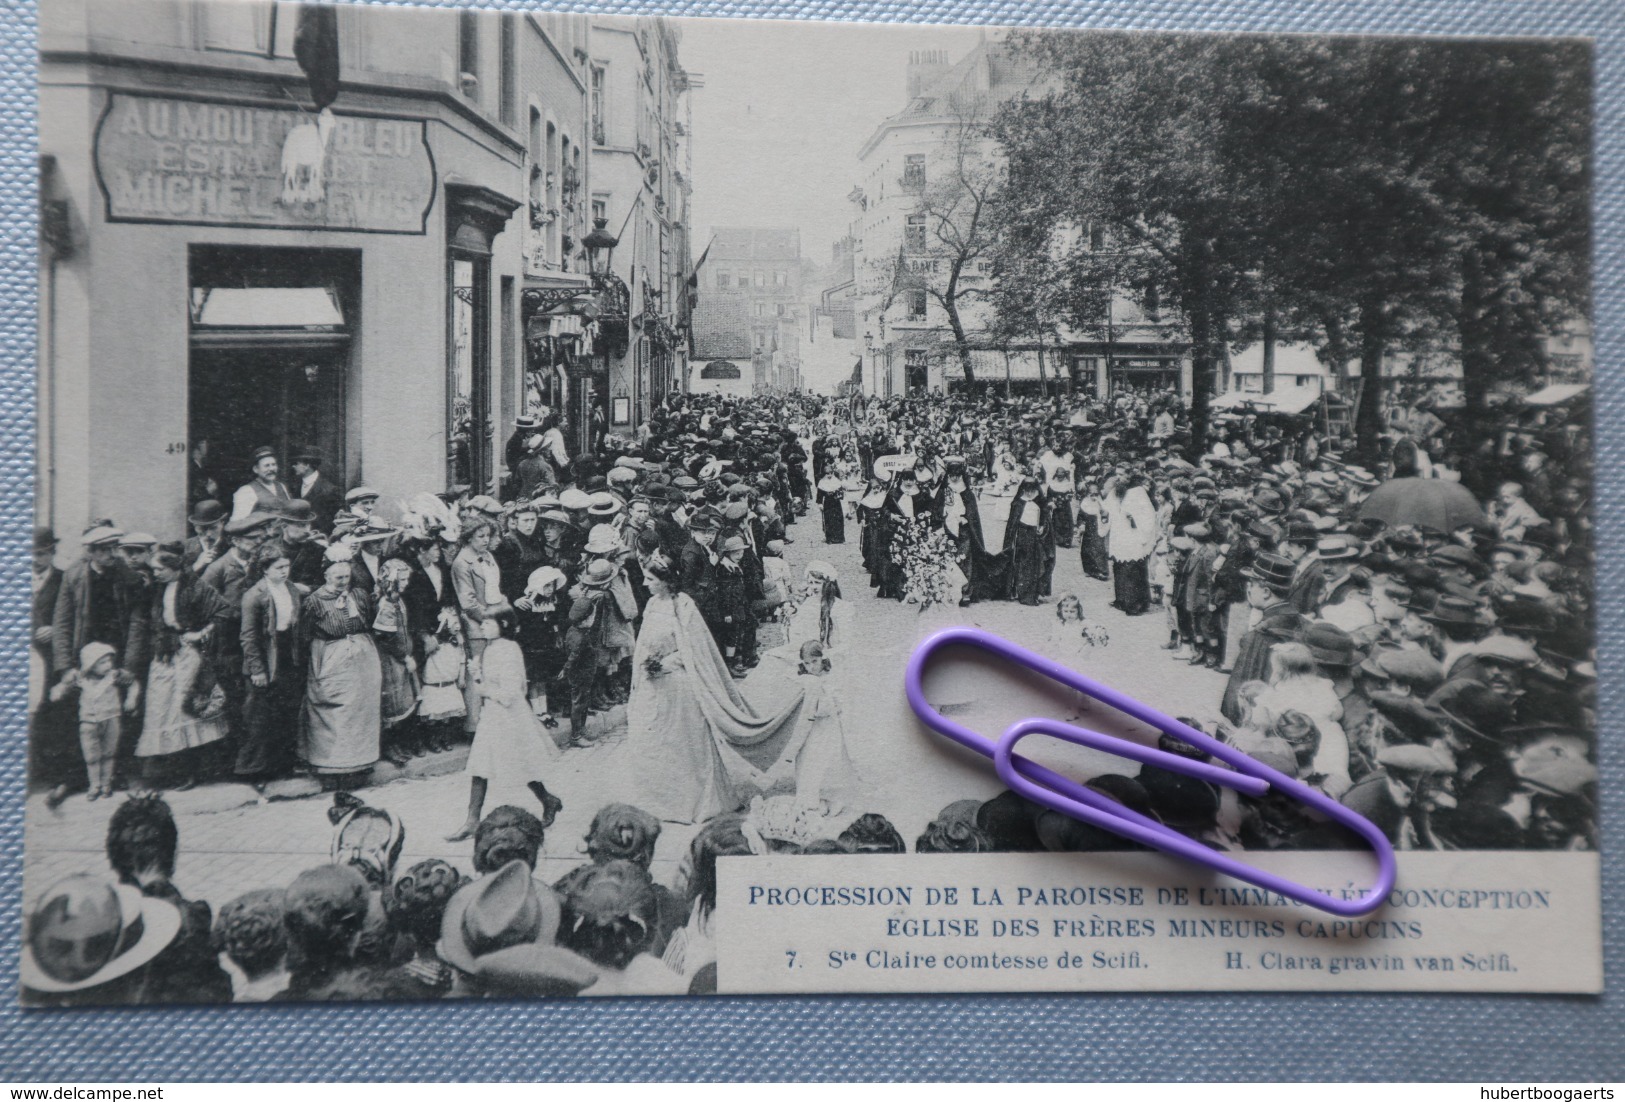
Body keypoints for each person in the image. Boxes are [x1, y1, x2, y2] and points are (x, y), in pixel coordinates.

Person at [625, 557, 804, 824]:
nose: (645, 584)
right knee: (653, 742)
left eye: (651, 580)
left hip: (679, 687)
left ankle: (693, 803)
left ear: (666, 581)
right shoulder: (652, 604)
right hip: (654, 686)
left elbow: (694, 650)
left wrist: (665, 663)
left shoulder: (683, 607)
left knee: (685, 745)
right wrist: (644, 668)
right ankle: (661, 802)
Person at [445, 615, 564, 843]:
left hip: (509, 717)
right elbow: (491, 682)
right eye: (484, 622)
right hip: (493, 715)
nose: (483, 626)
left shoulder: (509, 649)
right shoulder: (490, 648)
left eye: (490, 623)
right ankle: (472, 821)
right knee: (480, 765)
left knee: (519, 763)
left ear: (504, 625)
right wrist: (478, 675)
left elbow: (511, 692)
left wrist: (483, 690)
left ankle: (548, 799)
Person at [131, 546, 230, 791]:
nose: (156, 574)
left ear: (176, 569)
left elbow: (225, 611)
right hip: (164, 654)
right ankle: (162, 772)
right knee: (158, 710)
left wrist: (200, 634)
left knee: (183, 710)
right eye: (154, 569)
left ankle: (188, 772)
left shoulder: (196, 587)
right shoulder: (154, 589)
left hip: (188, 655)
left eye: (160, 569)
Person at [298, 549, 382, 781]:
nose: (344, 582)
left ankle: (361, 762)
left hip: (362, 657)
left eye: (347, 577)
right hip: (330, 656)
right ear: (326, 577)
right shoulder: (314, 601)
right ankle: (332, 766)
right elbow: (304, 634)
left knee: (361, 708)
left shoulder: (359, 595)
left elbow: (372, 618)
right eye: (338, 578)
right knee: (334, 709)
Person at [451, 515, 510, 742]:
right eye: (480, 536)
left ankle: (492, 724)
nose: (486, 540)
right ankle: (473, 727)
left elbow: (495, 588)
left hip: (494, 620)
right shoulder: (462, 563)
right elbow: (468, 602)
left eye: (488, 536)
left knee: (493, 672)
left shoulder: (488, 556)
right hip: (477, 625)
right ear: (468, 538)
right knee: (477, 674)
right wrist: (490, 618)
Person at [230, 446, 292, 522]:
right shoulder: (246, 491)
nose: (271, 469)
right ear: (256, 469)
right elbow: (237, 523)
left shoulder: (281, 486)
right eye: (267, 466)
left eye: (273, 464)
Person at [289, 448, 343, 534]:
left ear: (307, 465)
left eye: (296, 463)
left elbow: (333, 521)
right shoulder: (295, 487)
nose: (293, 466)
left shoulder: (330, 489)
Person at [815, 473, 845, 544]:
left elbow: (841, 492)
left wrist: (838, 494)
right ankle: (830, 538)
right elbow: (819, 495)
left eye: (830, 473)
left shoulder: (836, 481)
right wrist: (820, 503)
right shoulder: (822, 482)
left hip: (836, 503)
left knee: (838, 518)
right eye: (827, 474)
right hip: (827, 503)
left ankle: (839, 538)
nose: (829, 475)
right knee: (829, 519)